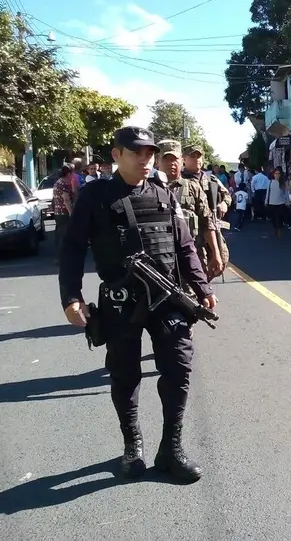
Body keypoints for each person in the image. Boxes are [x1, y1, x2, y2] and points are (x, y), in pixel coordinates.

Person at [59, 126, 216, 483]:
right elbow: (70, 249)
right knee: (125, 374)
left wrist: (201, 285)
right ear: (116, 155)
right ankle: (133, 445)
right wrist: (71, 296)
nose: (145, 159)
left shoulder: (163, 194)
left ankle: (171, 448)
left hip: (167, 299)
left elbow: (185, 246)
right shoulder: (95, 196)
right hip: (120, 301)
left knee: (179, 369)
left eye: (149, 153)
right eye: (136, 153)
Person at [157, 140, 223, 279]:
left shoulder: (193, 187)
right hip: (159, 262)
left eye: (175, 159)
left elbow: (207, 222)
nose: (172, 163)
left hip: (192, 257)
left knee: (198, 298)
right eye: (166, 159)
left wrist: (216, 253)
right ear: (157, 161)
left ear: (181, 160)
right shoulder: (148, 189)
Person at [181, 145, 231, 279]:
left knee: (219, 262)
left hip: (211, 229)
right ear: (184, 159)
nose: (196, 159)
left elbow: (227, 195)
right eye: (192, 156)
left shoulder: (211, 180)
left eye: (199, 156)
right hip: (190, 233)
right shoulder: (180, 181)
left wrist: (224, 204)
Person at [52, 163, 75, 263]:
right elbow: (66, 200)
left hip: (58, 213)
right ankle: (62, 258)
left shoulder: (58, 182)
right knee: (64, 236)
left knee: (61, 235)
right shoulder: (63, 184)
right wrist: (71, 214)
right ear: (68, 173)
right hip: (64, 213)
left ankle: (60, 257)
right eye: (72, 173)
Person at [266, 166, 288, 238]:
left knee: (280, 217)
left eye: (278, 173)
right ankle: (275, 227)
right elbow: (267, 192)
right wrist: (266, 201)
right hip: (272, 202)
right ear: (274, 174)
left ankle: (279, 229)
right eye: (276, 173)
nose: (277, 175)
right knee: (273, 217)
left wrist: (287, 201)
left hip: (281, 202)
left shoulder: (282, 183)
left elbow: (286, 193)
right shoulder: (270, 182)